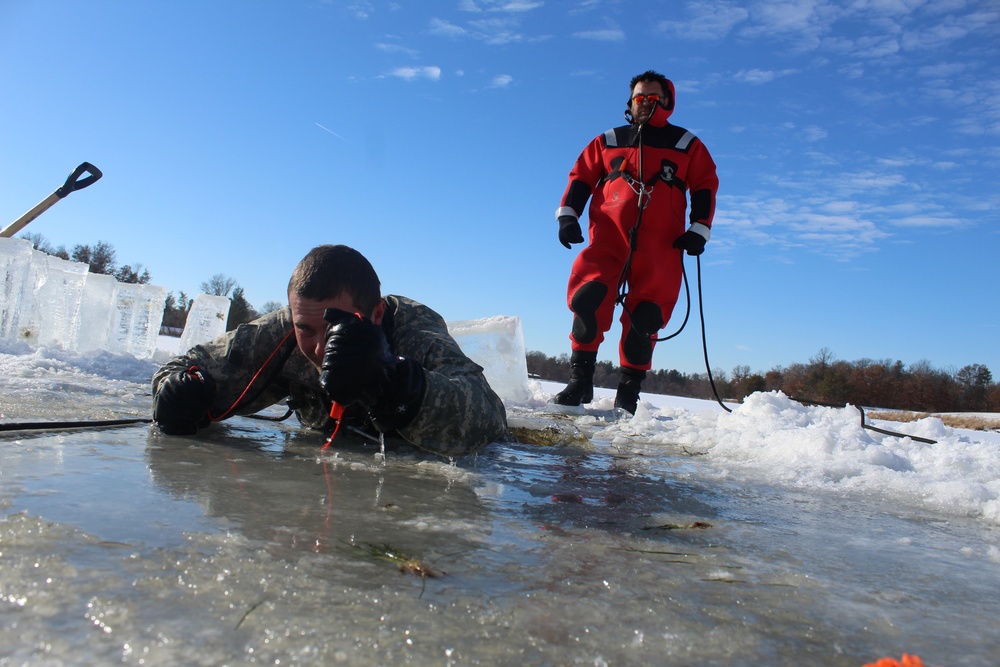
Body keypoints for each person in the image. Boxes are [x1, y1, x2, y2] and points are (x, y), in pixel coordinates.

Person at [152, 244, 508, 457]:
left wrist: (398, 385)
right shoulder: (285, 330)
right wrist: (176, 391)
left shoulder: (411, 329)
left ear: (376, 314)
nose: (320, 348)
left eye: (337, 328)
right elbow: (184, 366)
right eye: (306, 329)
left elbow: (489, 417)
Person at [552, 69, 719, 415]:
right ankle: (580, 382)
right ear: (631, 102)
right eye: (640, 98)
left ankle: (628, 393)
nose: (646, 104)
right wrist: (569, 215)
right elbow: (581, 175)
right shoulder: (608, 140)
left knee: (647, 317)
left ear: (668, 101)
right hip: (608, 237)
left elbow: (705, 184)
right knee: (588, 299)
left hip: (662, 246)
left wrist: (699, 229)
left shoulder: (687, 145)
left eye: (653, 98)